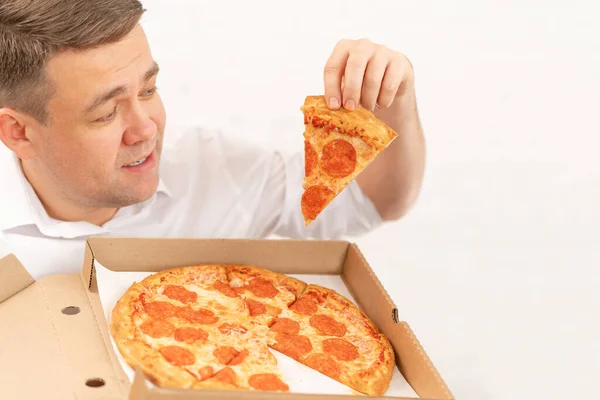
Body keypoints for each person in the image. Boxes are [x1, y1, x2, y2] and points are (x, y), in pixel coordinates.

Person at [0, 0, 425, 279]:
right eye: (106, 113)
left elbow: (372, 204)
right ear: (19, 132)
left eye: (148, 90)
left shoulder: (216, 170)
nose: (146, 129)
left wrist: (396, 102)